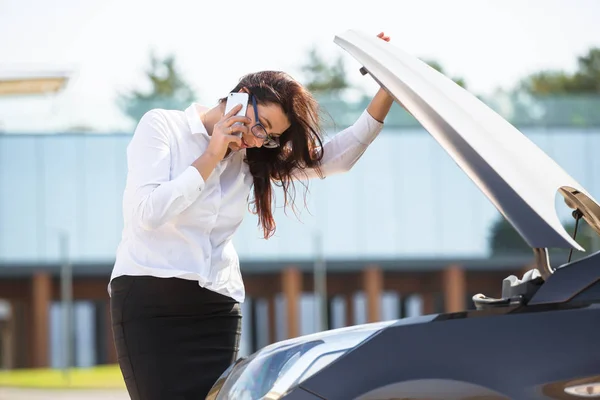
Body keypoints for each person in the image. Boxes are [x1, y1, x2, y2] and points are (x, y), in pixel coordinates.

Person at [109, 32, 394, 400]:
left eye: (270, 136)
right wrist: (211, 155)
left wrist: (387, 91)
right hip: (150, 302)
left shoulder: (251, 158)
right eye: (260, 127)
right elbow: (148, 214)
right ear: (240, 96)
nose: (259, 141)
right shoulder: (163, 126)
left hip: (216, 308)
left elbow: (337, 158)